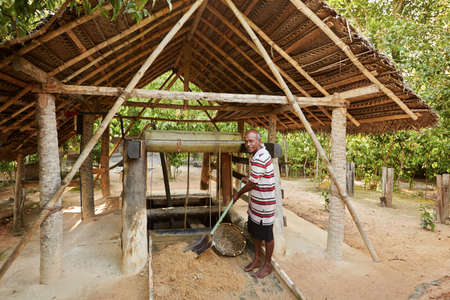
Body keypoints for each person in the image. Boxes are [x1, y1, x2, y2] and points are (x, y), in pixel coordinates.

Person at [233, 129, 276, 278]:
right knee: (255, 231)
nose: (248, 144)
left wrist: (238, 193)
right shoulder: (256, 154)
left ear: (259, 140)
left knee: (267, 235)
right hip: (256, 203)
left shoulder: (261, 156)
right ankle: (257, 259)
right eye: (246, 141)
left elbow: (252, 183)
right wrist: (249, 178)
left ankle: (268, 265)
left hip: (265, 203)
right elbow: (255, 177)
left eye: (251, 141)